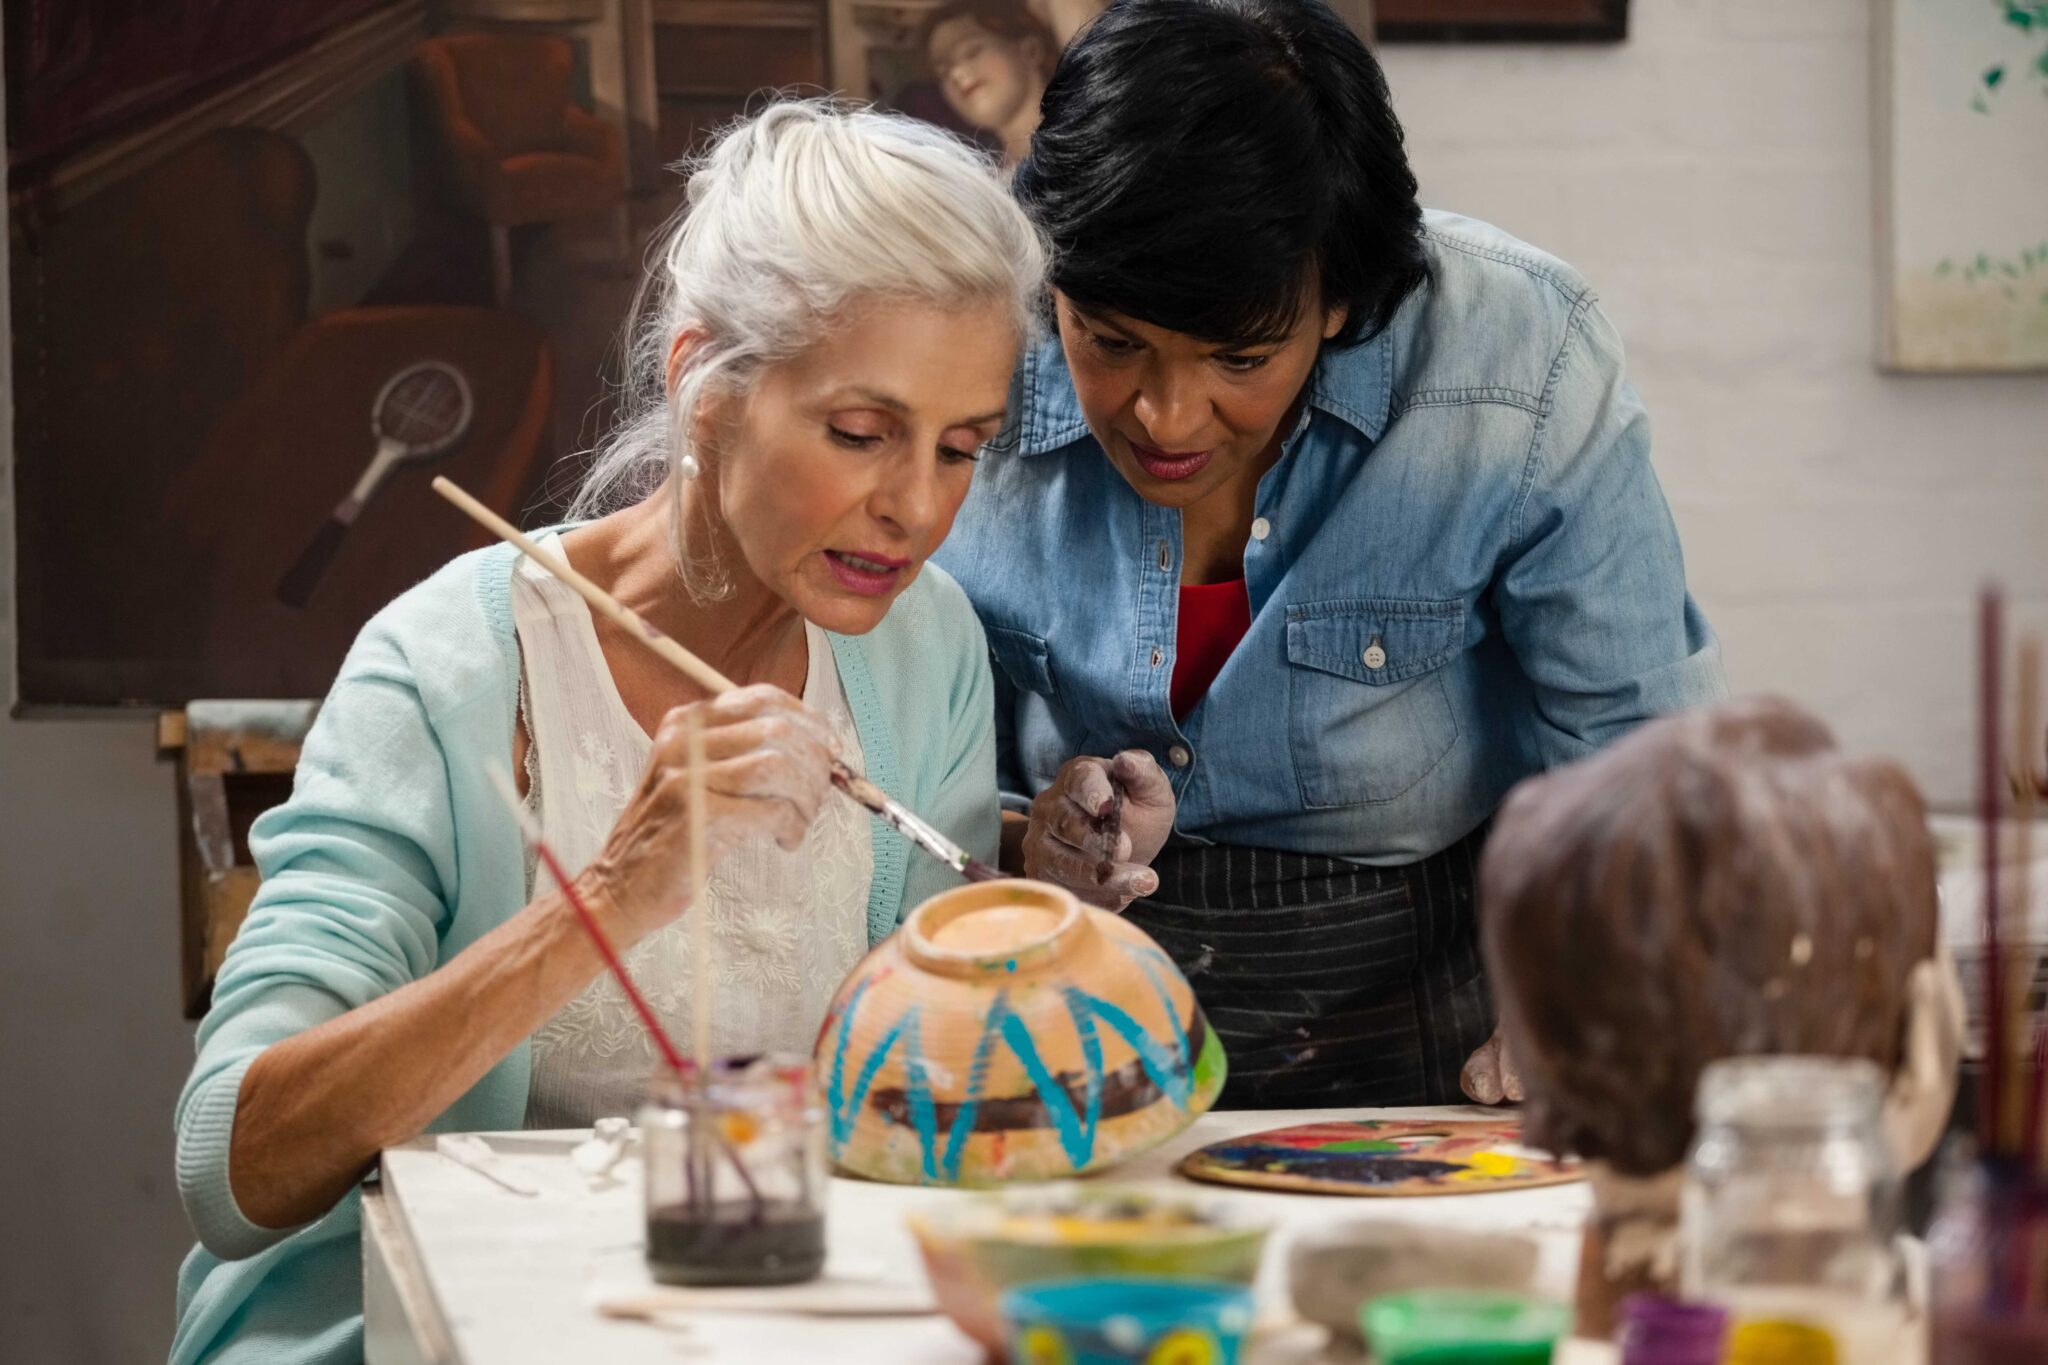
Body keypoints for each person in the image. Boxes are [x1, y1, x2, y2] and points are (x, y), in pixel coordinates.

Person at [170, 101, 1045, 1365]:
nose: (915, 505)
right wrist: (607, 900)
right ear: (704, 382)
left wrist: (1041, 909)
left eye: (961, 447)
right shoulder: (448, 667)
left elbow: (913, 1089)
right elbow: (230, 1169)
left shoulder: (923, 648)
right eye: (860, 433)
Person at [935, 0, 1727, 1110]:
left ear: (1340, 302)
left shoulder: (1512, 356)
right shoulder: (969, 349)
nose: (1166, 416)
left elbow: (1636, 743)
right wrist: (1033, 833)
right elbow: (895, 717)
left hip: (1416, 1009)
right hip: (1058, 1005)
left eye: (1239, 357)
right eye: (1110, 344)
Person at [919, 0, 1059, 167]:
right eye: (942, 72)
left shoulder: (1090, 119)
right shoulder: (981, 184)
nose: (955, 74)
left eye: (972, 52)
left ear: (1030, 50)